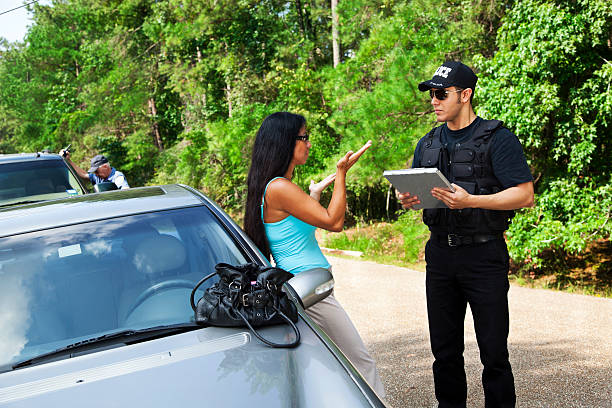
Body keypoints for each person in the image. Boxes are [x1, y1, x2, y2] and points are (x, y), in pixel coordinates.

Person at [398, 61, 534, 408]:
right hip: (440, 257)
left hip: (483, 256)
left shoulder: (497, 139)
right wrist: (408, 200)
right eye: (431, 94)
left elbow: (524, 195)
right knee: (444, 353)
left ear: (466, 94)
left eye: (441, 94)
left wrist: (472, 200)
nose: (434, 100)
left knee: (493, 353)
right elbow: (418, 197)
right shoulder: (427, 142)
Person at [244, 112, 385, 398]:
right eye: (304, 138)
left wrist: (315, 193)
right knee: (360, 362)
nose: (309, 144)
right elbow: (333, 222)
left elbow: (296, 228)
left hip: (304, 290)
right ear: (285, 142)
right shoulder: (280, 188)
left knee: (322, 369)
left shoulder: (273, 187)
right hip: (309, 293)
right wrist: (342, 174)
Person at [60, 150, 130, 190]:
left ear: (105, 166)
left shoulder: (117, 177)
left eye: (97, 171)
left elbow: (126, 191)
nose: (96, 174)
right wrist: (68, 160)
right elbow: (83, 175)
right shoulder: (98, 177)